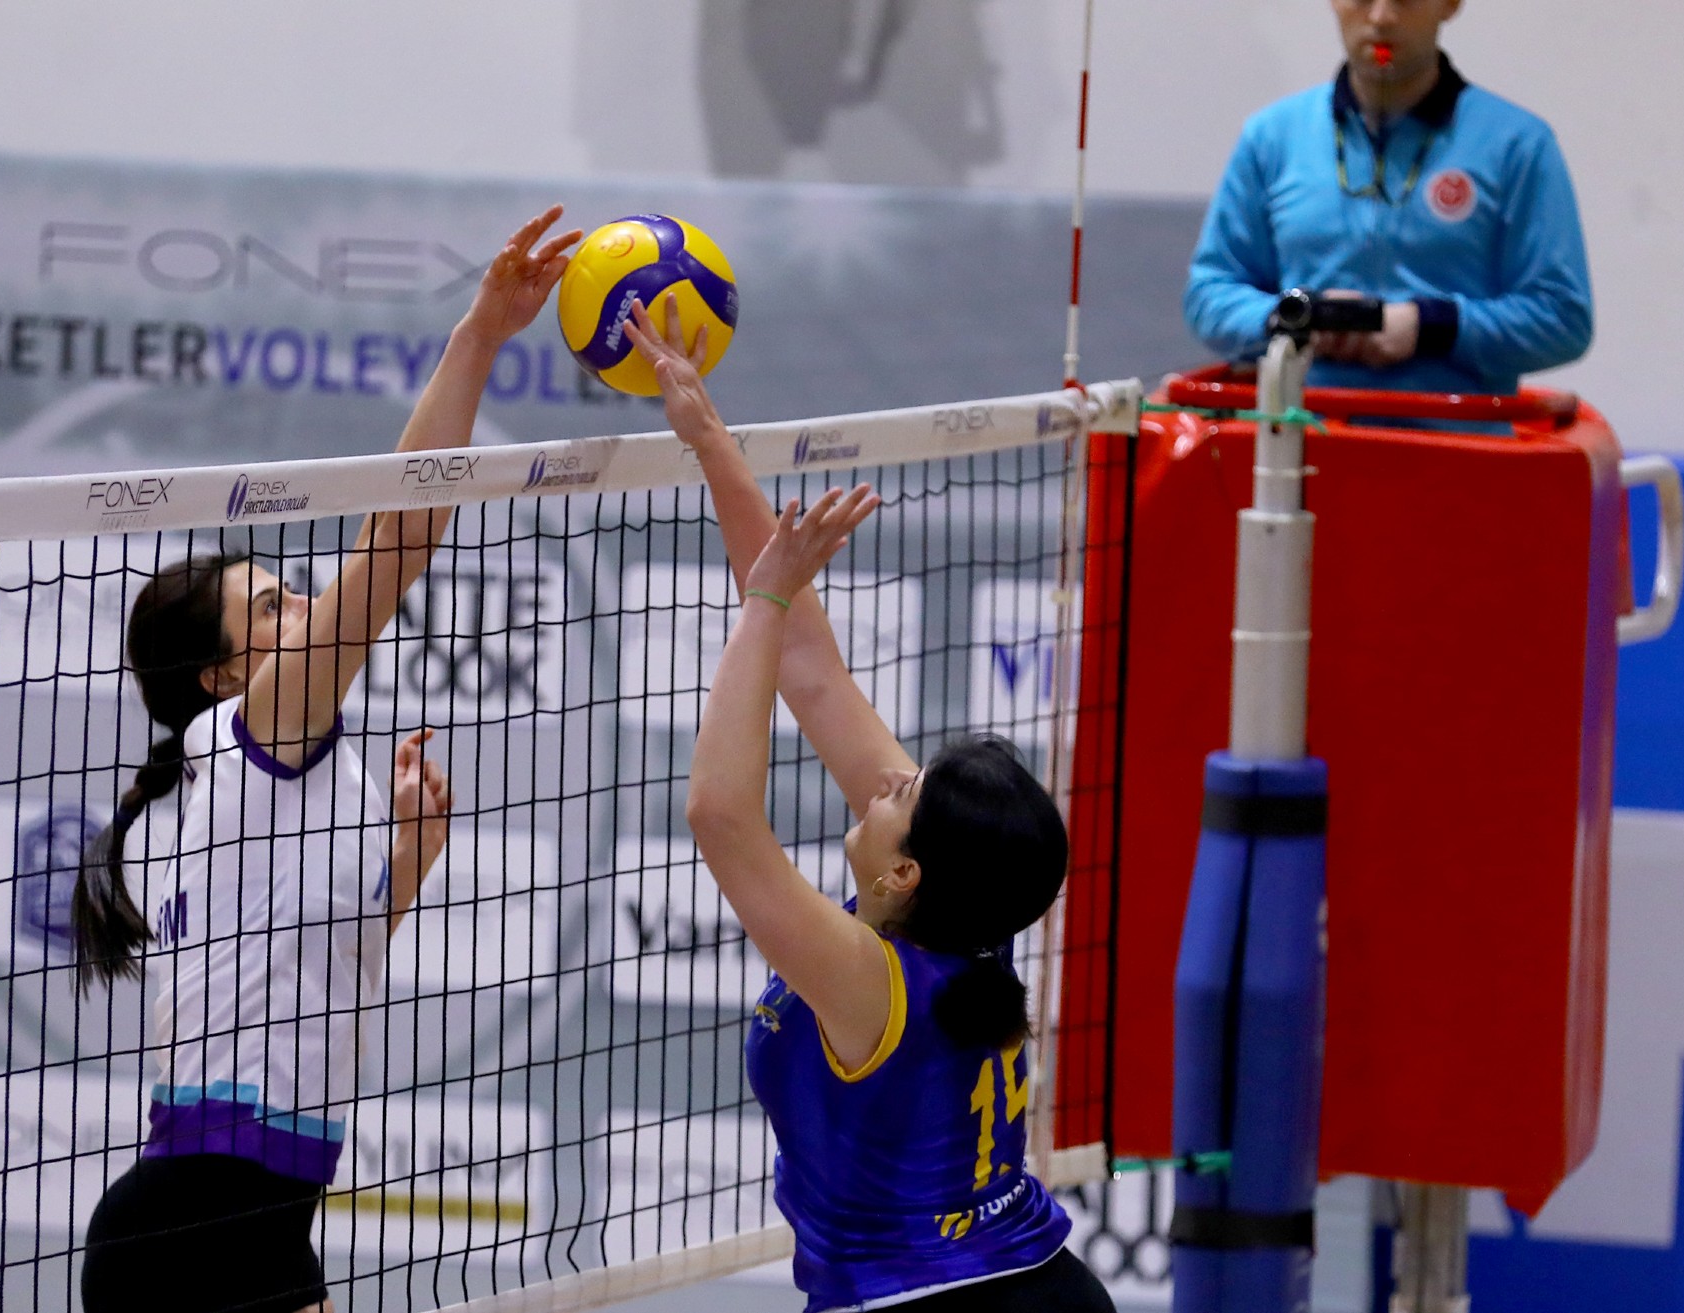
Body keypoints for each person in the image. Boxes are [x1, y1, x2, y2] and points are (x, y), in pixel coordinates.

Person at [70, 206, 582, 1313]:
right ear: (224, 674)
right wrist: (478, 338)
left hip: (255, 1219)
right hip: (195, 1228)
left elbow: (312, 959)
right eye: (271, 606)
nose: (301, 605)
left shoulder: (264, 777)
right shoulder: (249, 741)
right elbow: (399, 538)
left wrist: (408, 862)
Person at [626, 297, 1115, 1312]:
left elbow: (720, 813)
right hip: (1034, 1286)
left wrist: (765, 599)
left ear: (905, 870)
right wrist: (711, 441)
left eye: (907, 792)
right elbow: (812, 672)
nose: (888, 776)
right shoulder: (965, 911)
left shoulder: (871, 976)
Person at [1184, 0, 1593, 397]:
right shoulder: (1271, 137)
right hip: (1302, 434)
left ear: (1450, 4)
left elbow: (1563, 317)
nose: (1381, 17)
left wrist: (1430, 326)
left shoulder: (1518, 146)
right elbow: (1209, 295)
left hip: (1457, 438)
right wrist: (1297, 317)